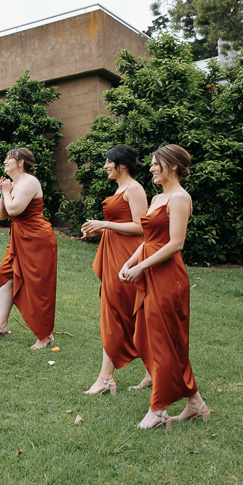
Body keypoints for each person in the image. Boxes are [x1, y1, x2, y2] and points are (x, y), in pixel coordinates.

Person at [119, 144, 209, 430]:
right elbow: (149, 239)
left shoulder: (180, 198)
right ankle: (195, 403)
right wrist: (129, 262)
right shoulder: (158, 197)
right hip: (149, 271)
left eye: (156, 164)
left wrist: (140, 268)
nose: (151, 168)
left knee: (164, 340)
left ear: (172, 166)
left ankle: (158, 410)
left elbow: (175, 244)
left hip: (168, 277)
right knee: (158, 338)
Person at [80, 145, 151, 395]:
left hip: (126, 256)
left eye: (109, 162)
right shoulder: (120, 188)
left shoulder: (135, 189)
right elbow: (120, 225)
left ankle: (106, 378)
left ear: (122, 164)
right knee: (117, 311)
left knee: (122, 312)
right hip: (112, 252)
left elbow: (140, 227)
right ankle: (148, 373)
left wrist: (105, 224)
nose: (105, 166)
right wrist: (99, 230)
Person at [0, 148, 58, 349]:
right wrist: (3, 193)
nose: (4, 162)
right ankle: (1, 325)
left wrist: (6, 192)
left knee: (38, 285)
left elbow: (14, 209)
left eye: (8, 159)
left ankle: (45, 336)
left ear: (20, 162)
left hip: (37, 239)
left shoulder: (29, 182)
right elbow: (0, 215)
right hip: (18, 237)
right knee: (5, 274)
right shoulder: (13, 184)